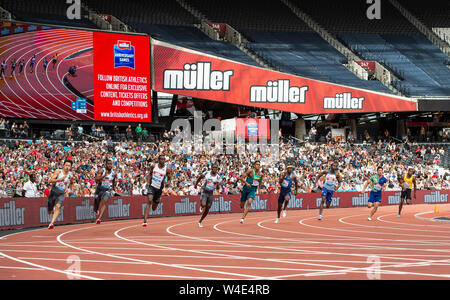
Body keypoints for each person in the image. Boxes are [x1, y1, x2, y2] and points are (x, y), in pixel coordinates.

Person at [142, 155, 172, 227]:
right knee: (149, 200)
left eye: (164, 159)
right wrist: (148, 182)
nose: (162, 160)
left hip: (159, 189)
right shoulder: (153, 166)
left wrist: (168, 183)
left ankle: (155, 200)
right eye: (161, 159)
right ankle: (145, 221)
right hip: (152, 186)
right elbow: (150, 174)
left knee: (154, 208)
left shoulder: (167, 169)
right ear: (158, 160)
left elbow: (169, 178)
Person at [47, 160, 74, 229]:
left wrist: (72, 190)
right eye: (66, 165)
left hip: (61, 193)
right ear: (63, 165)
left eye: (69, 166)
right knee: (49, 211)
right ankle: (52, 210)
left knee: (58, 206)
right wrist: (59, 179)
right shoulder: (58, 171)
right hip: (53, 191)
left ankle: (51, 223)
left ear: (71, 167)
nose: (67, 167)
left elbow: (71, 183)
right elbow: (50, 180)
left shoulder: (70, 175)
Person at [93, 159, 117, 224]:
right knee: (96, 204)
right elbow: (96, 180)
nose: (110, 165)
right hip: (99, 189)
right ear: (105, 165)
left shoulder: (113, 173)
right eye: (108, 164)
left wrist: (114, 189)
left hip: (107, 190)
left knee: (104, 202)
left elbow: (114, 182)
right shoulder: (101, 171)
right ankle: (96, 209)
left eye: (111, 164)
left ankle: (99, 218)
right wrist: (103, 176)